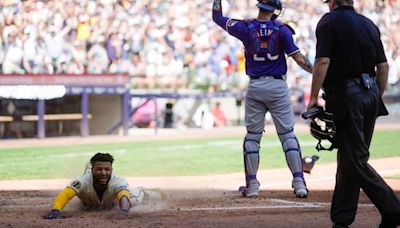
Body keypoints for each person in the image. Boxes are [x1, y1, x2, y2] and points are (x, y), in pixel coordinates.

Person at [307, 0, 400, 227]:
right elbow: (384, 67)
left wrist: (312, 98)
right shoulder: (368, 24)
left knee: (354, 159)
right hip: (370, 93)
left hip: (347, 96)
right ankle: (342, 219)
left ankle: (394, 209)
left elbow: (322, 61)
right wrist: (375, 96)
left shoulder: (328, 22)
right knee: (350, 157)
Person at [212, 0, 313, 198]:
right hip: (277, 86)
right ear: (274, 9)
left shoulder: (245, 27)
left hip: (256, 86)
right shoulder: (282, 30)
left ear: (259, 6)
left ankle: (252, 185)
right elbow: (300, 59)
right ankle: (299, 181)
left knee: (252, 137)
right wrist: (317, 73)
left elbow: (217, 17)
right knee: (287, 135)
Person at [43, 153, 165, 219]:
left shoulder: (118, 181)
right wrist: (56, 209)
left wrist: (123, 210)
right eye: (99, 169)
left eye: (107, 169)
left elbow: (123, 197)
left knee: (135, 198)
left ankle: (149, 191)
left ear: (112, 169)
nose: (103, 173)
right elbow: (66, 194)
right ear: (92, 169)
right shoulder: (82, 181)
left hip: (116, 202)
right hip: (92, 196)